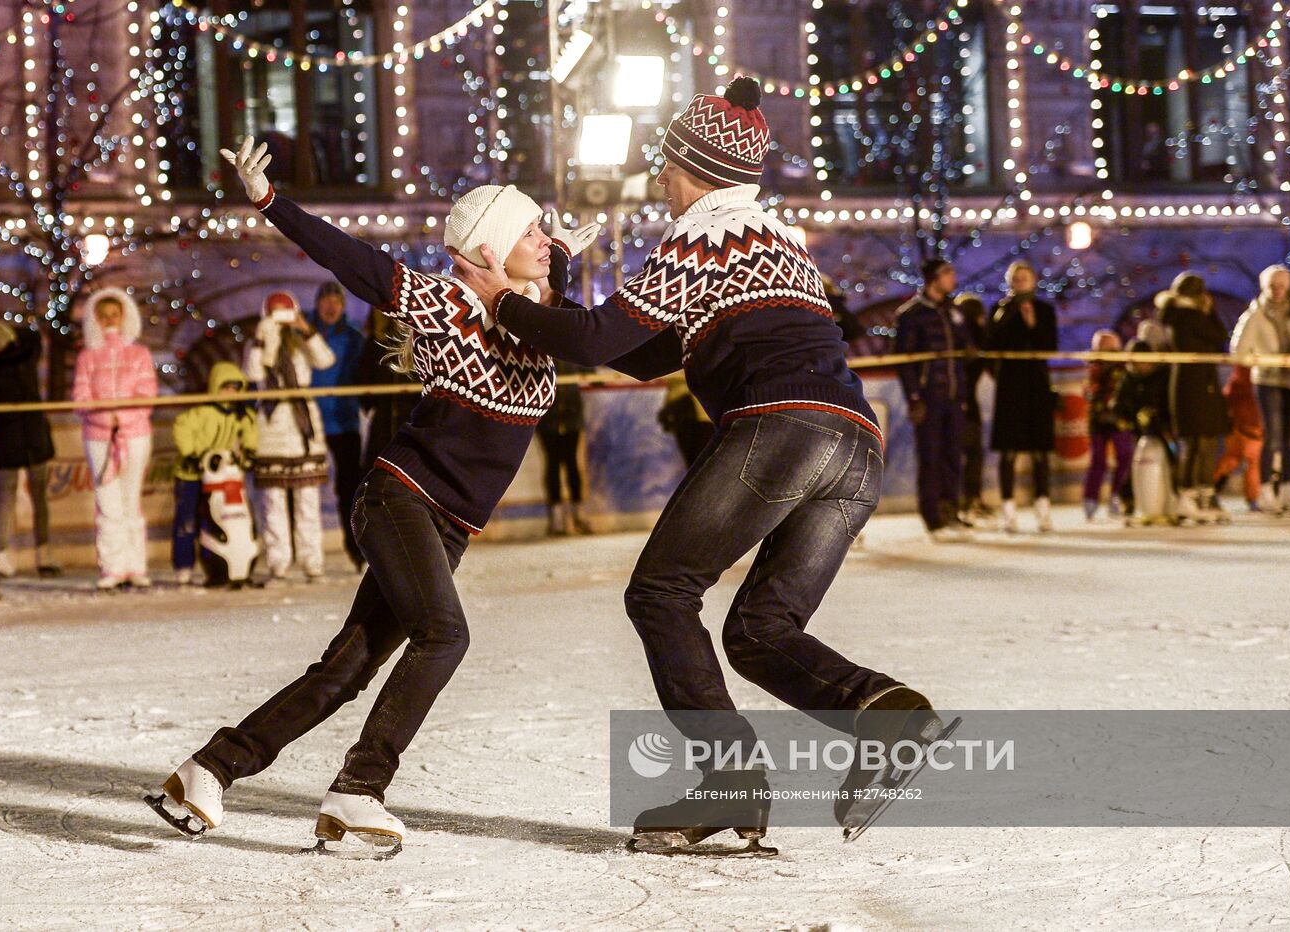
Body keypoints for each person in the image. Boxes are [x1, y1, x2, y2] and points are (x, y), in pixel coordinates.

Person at [452, 78, 944, 852]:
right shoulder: (780, 238)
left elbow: (591, 345)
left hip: (781, 428)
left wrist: (504, 300)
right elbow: (642, 354)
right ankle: (886, 714)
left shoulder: (704, 237)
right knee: (759, 630)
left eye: (666, 166)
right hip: (855, 445)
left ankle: (732, 782)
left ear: (695, 169)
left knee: (661, 592)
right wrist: (563, 289)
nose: (658, 180)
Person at [148, 136, 596, 849]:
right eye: (530, 231)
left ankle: (210, 768)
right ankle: (360, 787)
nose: (544, 239)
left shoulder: (536, 320)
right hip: (400, 500)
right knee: (445, 636)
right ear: (489, 247)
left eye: (543, 230)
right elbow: (353, 262)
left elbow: (566, 315)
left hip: (448, 526)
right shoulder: (447, 304)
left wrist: (559, 256)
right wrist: (272, 203)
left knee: (347, 669)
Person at [244, 291, 336, 582]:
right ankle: (278, 562)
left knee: (307, 499)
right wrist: (262, 336)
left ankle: (312, 561)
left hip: (302, 425)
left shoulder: (302, 342)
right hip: (270, 425)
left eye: (286, 311)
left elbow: (325, 360)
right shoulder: (257, 343)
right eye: (275, 311)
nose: (281, 317)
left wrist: (304, 329)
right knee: (272, 501)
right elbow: (252, 371)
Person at [73, 287, 156, 589]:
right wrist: (107, 418)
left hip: (134, 436)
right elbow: (81, 398)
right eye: (103, 315)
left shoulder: (139, 354)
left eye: (114, 315)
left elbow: (147, 395)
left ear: (124, 317)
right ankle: (112, 566)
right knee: (108, 502)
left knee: (131, 500)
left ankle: (135, 565)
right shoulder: (87, 356)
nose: (109, 320)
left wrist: (124, 419)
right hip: (100, 438)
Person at [894, 258, 973, 540]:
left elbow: (964, 346)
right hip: (929, 397)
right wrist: (915, 396)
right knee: (930, 456)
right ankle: (932, 517)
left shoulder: (954, 310)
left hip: (954, 395)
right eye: (947, 273)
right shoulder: (911, 314)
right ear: (932, 279)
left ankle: (952, 509)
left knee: (953, 454)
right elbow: (904, 360)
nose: (953, 277)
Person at [0, 319, 59, 577]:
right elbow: (32, 337)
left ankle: (32, 553)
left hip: (22, 431)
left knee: (26, 495)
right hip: (17, 432)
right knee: (16, 494)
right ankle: (9, 554)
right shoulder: (19, 356)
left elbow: (32, 336)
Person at [987, 260, 1059, 533]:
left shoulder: (1044, 310)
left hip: (1036, 384)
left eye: (1025, 278)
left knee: (1041, 450)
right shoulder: (1000, 309)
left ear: (1034, 280)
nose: (1021, 283)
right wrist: (1010, 317)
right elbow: (991, 343)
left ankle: (1043, 506)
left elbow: (1049, 345)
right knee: (1009, 450)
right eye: (1016, 279)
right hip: (1010, 385)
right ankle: (1008, 508)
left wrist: (1032, 323)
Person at [171, 361, 256, 585]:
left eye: (235, 388)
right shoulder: (202, 411)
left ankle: (223, 562)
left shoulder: (241, 414)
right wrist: (192, 454)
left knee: (221, 519)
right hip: (192, 475)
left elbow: (250, 433)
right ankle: (184, 566)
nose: (230, 392)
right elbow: (182, 426)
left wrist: (248, 453)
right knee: (187, 520)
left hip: (223, 477)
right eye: (226, 387)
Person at [1156, 272, 1231, 523]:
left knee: (1203, 440)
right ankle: (1189, 495)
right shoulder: (1189, 316)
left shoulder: (1175, 315)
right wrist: (1209, 311)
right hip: (1195, 382)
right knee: (1197, 442)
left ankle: (1200, 494)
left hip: (1197, 381)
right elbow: (1219, 334)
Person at [1231, 265, 1290, 515]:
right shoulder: (1255, 315)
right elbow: (1239, 351)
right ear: (1265, 287)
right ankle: (1265, 491)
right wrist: (1262, 359)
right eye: (1273, 286)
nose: (1277, 291)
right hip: (1267, 380)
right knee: (1272, 437)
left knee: (1289, 440)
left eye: (1282, 286)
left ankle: (1287, 489)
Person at [307, 281, 367, 570]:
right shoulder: (302, 334)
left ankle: (357, 551)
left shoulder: (354, 337)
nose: (330, 307)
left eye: (336, 302)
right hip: (309, 424)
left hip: (344, 422)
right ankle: (302, 555)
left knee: (349, 490)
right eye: (325, 301)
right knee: (302, 490)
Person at [1116, 338, 1177, 525]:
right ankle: (1130, 499)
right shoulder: (1128, 378)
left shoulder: (1162, 375)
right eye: (1138, 362)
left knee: (1172, 457)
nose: (1143, 366)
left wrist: (1159, 417)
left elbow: (1170, 401)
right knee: (1134, 460)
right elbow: (1120, 405)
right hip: (1139, 430)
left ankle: (1173, 498)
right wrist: (1132, 418)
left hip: (1163, 428)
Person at [353, 304, 420, 472]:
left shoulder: (424, 343)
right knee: (379, 465)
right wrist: (368, 402)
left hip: (414, 416)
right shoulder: (377, 343)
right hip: (383, 417)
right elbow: (363, 375)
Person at [1082, 330, 1133, 520]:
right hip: (1098, 417)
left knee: (1124, 456)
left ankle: (1117, 497)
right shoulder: (1094, 367)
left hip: (1119, 417)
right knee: (1098, 461)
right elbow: (1090, 391)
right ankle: (1090, 500)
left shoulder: (1122, 366)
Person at [538, 358, 591, 536]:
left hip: (572, 417)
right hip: (547, 418)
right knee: (552, 464)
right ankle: (557, 518)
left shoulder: (572, 347)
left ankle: (579, 514)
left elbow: (591, 370)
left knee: (571, 464)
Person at [954, 292, 991, 523]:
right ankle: (968, 499)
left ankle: (969, 499)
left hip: (965, 400)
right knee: (969, 452)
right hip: (963, 400)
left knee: (969, 452)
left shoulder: (966, 336)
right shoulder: (969, 337)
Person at [1212, 366, 1263, 513]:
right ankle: (1253, 499)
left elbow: (1226, 398)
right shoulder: (1258, 381)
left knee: (1230, 460)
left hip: (1237, 427)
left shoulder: (1235, 381)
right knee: (1252, 464)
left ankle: (1211, 489)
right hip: (1254, 427)